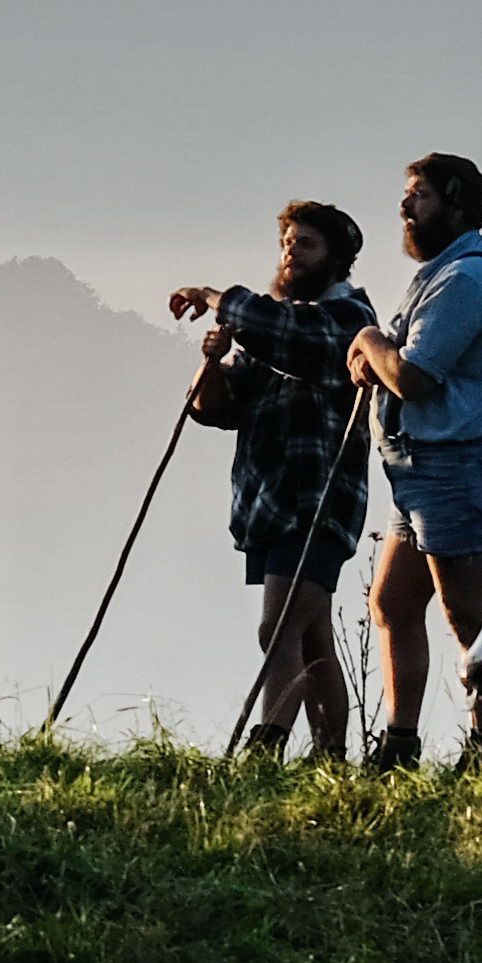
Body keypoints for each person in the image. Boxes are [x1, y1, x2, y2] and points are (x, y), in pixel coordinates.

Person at [163, 198, 376, 760]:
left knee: (276, 628)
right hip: (271, 500)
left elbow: (293, 337)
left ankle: (266, 748)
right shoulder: (273, 327)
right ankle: (332, 760)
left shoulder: (348, 319)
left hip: (319, 497)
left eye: (306, 244)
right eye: (287, 243)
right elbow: (213, 407)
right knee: (310, 637)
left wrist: (216, 298)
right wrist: (212, 360)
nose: (291, 253)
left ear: (337, 258)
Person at [345, 151, 482, 770]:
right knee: (392, 602)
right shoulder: (444, 272)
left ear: (455, 202)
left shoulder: (467, 279)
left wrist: (367, 339)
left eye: (418, 194)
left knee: (468, 615)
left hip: (457, 465)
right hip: (419, 470)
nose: (406, 206)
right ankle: (399, 742)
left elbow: (414, 377)